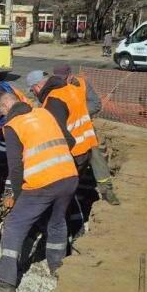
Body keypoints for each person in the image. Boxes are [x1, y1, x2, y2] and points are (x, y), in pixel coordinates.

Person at [0, 93, 78, 292]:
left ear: (6, 106)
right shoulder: (44, 113)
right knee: (57, 222)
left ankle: (5, 280)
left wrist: (16, 196)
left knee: (14, 224)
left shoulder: (12, 126)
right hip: (69, 176)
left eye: (3, 111)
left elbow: (15, 167)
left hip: (42, 183)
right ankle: (57, 266)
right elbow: (69, 139)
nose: (3, 115)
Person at [26, 68, 118, 205]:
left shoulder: (54, 100)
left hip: (75, 150)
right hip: (86, 143)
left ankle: (69, 213)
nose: (34, 95)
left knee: (63, 190)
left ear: (38, 86)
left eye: (33, 91)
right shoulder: (70, 90)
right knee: (73, 183)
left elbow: (59, 133)